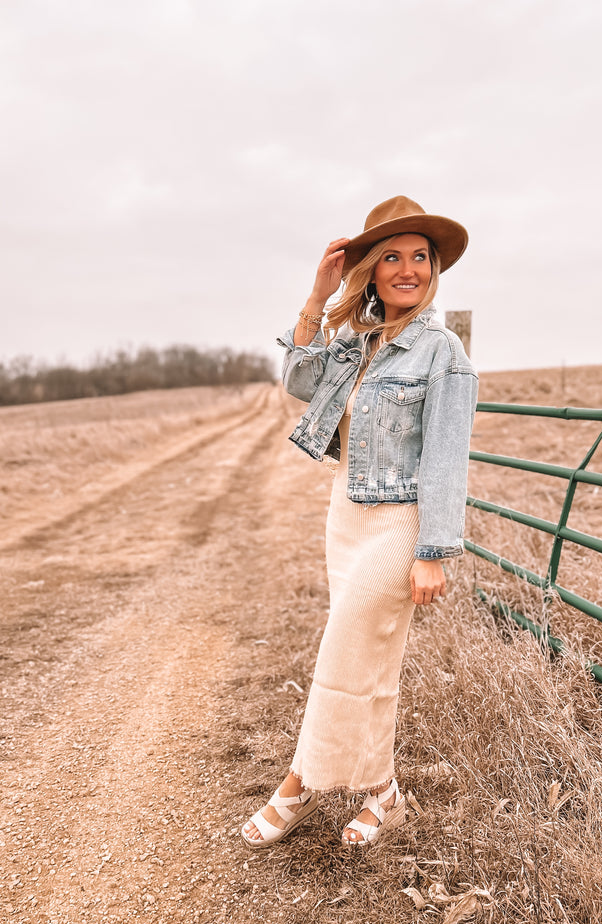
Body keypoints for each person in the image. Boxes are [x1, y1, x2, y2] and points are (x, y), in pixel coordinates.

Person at [241, 195, 479, 848]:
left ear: (434, 270)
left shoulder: (443, 350)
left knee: (343, 650)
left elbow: (446, 460)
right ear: (371, 270)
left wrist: (432, 550)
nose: (408, 268)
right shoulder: (358, 343)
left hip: (399, 520)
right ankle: (383, 794)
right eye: (392, 257)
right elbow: (296, 379)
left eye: (420, 257)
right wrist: (316, 299)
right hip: (345, 514)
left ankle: (297, 785)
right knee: (370, 659)